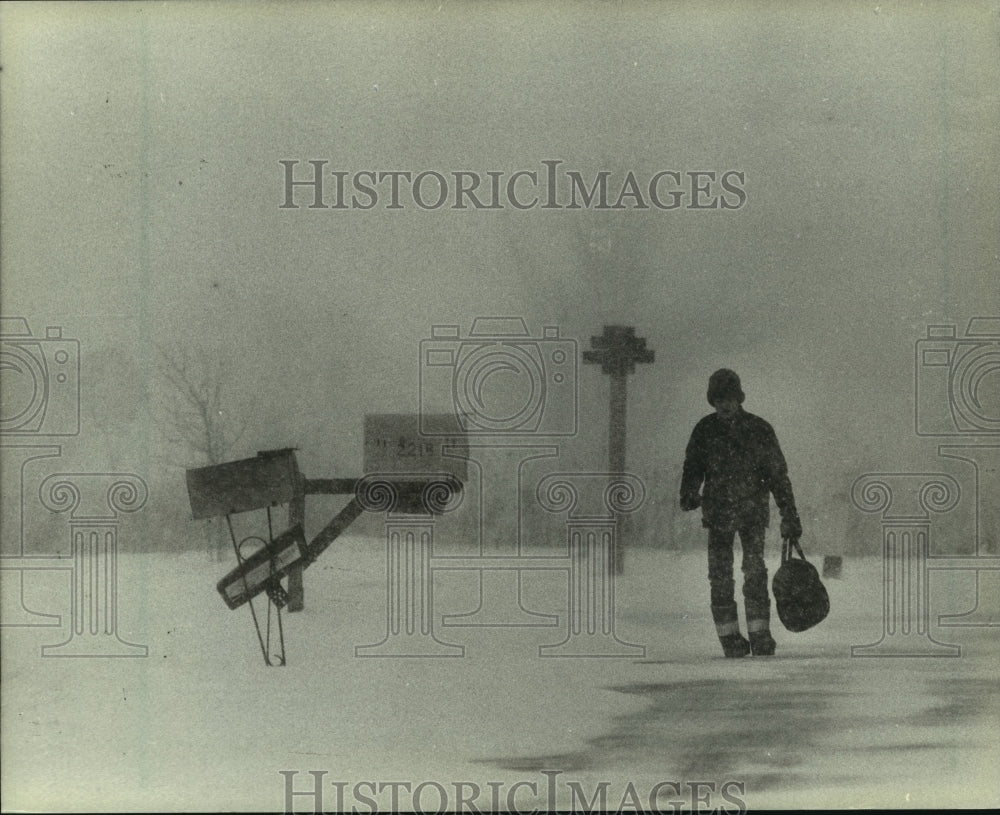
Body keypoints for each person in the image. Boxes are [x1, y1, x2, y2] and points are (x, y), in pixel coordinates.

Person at [680, 369, 802, 658]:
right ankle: (730, 638)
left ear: (739, 398)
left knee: (754, 572)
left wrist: (790, 514)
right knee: (721, 577)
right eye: (720, 399)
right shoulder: (705, 430)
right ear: (713, 401)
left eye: (730, 398)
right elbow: (693, 467)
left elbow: (778, 476)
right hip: (721, 514)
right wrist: (688, 493)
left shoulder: (759, 429)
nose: (725, 404)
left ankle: (760, 636)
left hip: (750, 514)